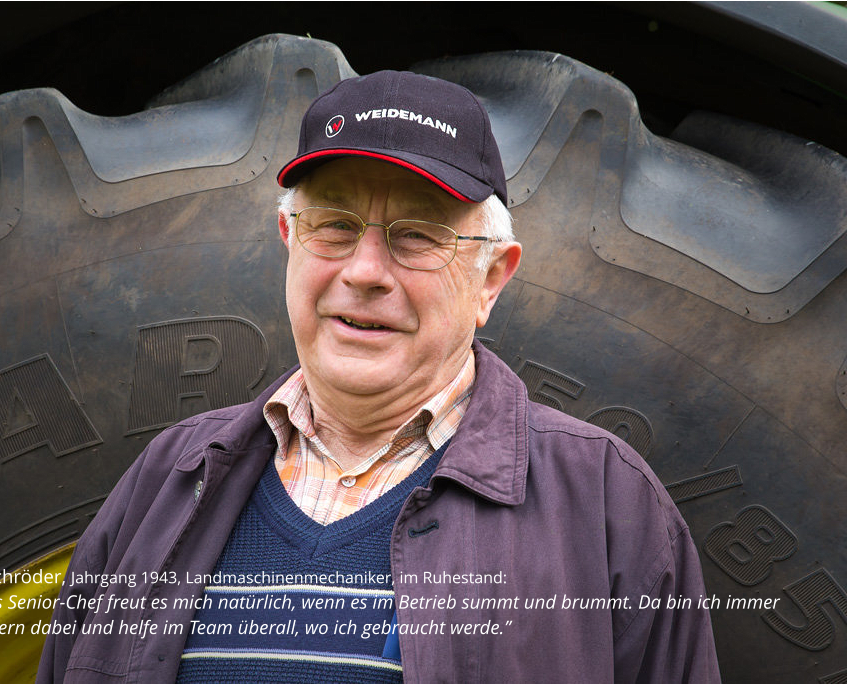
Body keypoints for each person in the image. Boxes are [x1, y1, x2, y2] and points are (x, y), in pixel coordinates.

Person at [37, 70, 721, 683]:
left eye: (418, 235)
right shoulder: (168, 479)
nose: (363, 272)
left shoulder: (609, 507)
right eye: (333, 225)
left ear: (492, 279)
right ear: (289, 244)